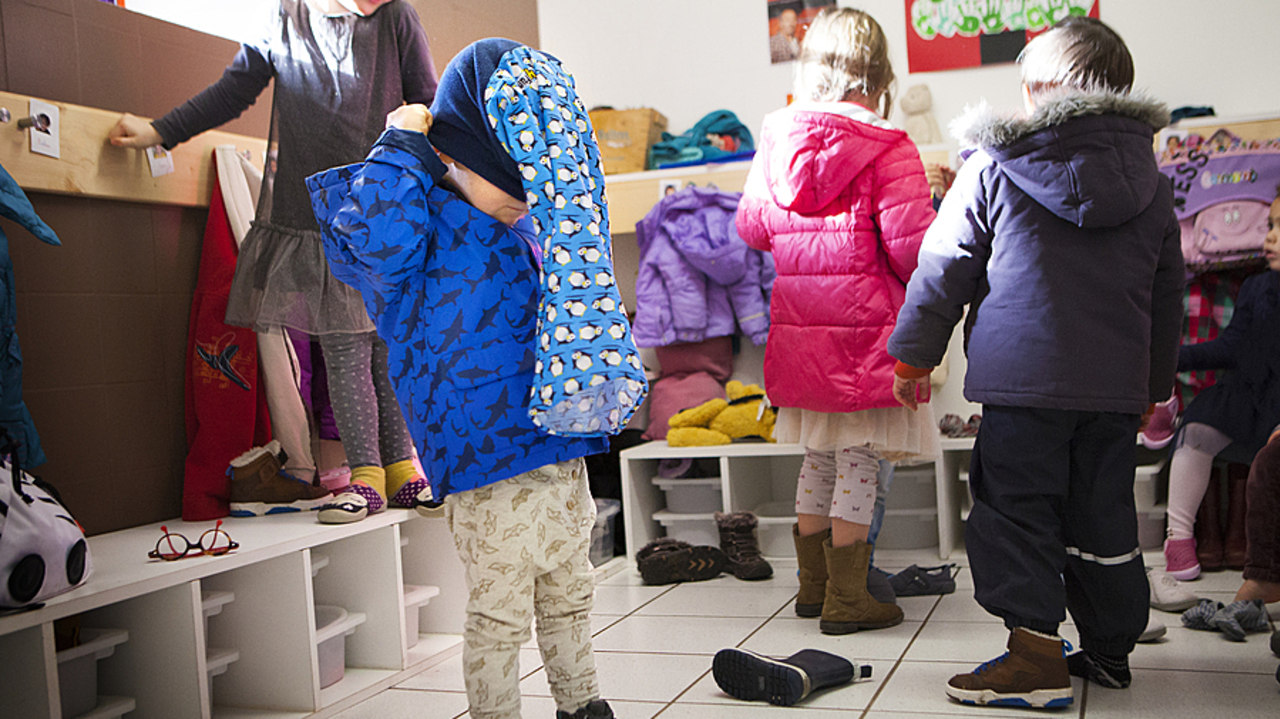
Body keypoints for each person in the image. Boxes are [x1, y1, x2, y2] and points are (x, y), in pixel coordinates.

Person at [306, 38, 647, 719]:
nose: (524, 201)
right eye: (511, 184)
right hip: (485, 464)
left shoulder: (514, 222)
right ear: (454, 156)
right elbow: (369, 237)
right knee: (500, 614)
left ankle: (583, 705)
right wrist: (400, 146)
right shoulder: (416, 225)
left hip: (555, 448)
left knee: (571, 592)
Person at [887, 16, 1184, 708]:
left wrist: (913, 356)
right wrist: (1153, 385)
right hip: (1112, 392)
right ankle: (1110, 650)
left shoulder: (994, 163)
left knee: (1016, 512)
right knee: (1103, 513)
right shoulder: (1152, 183)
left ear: (1042, 90)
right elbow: (1167, 293)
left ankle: (1034, 658)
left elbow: (944, 266)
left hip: (1024, 388)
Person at [107, 0, 437, 522]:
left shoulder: (395, 17)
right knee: (346, 347)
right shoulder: (286, 16)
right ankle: (367, 474)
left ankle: (403, 470)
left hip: (383, 208)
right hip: (314, 216)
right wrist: (159, 131)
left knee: (388, 341)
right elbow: (235, 89)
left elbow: (427, 100)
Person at [735, 7, 938, 636]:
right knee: (857, 462)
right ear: (877, 75)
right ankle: (849, 600)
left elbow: (753, 228)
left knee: (817, 459)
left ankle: (813, 588)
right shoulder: (889, 146)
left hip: (801, 338)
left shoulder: (777, 138)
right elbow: (913, 249)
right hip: (867, 337)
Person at [1163, 192, 1280, 580]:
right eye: (1270, 227)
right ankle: (1178, 539)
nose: (1270, 238)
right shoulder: (1257, 287)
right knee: (1197, 427)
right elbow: (1232, 346)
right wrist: (1171, 357)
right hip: (1252, 393)